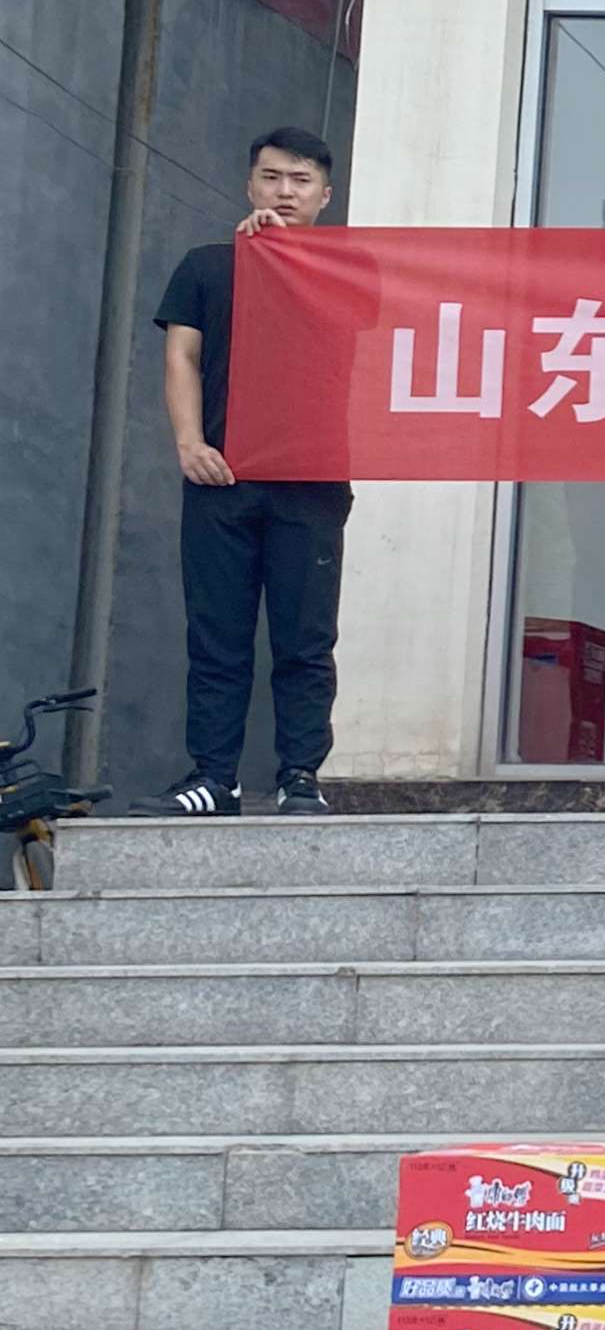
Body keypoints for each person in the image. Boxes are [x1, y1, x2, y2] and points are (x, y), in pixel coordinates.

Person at [155, 128, 348, 816]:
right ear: (249, 185)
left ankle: (301, 774)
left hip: (312, 482)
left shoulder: (349, 272)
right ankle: (215, 776)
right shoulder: (205, 267)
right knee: (217, 635)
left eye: (300, 180)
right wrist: (188, 442)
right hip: (221, 477)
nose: (284, 192)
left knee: (305, 638)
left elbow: (365, 344)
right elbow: (181, 356)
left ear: (325, 195)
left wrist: (287, 261)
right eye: (271, 177)